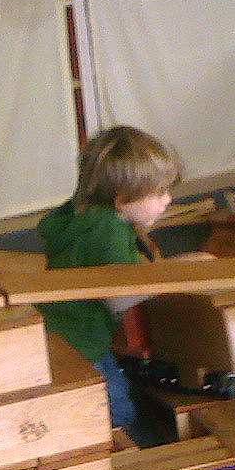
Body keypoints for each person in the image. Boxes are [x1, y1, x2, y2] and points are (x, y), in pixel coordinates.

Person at [39, 124, 202, 438]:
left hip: (65, 335)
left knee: (115, 396)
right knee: (117, 412)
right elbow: (117, 297)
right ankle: (119, 458)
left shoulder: (83, 217)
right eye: (159, 192)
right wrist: (179, 272)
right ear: (122, 198)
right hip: (79, 345)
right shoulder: (108, 231)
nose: (168, 200)